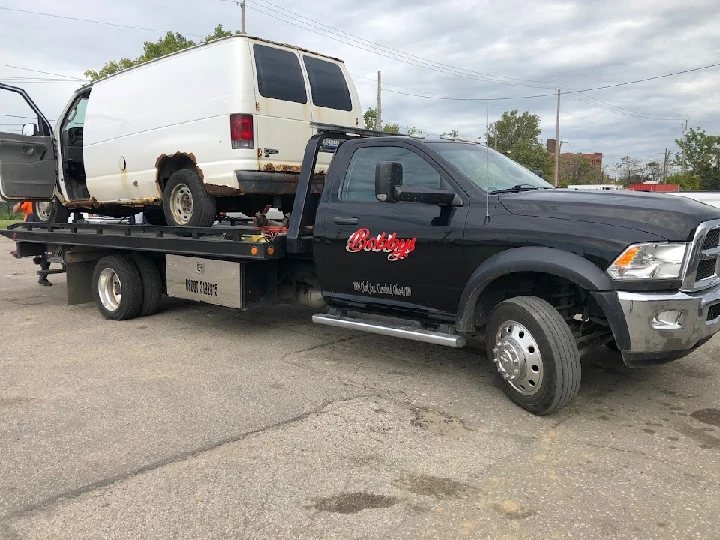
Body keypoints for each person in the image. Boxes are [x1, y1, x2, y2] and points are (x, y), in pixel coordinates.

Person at [12, 201, 52, 286]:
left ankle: (43, 277)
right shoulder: (28, 201)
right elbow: (15, 210)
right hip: (31, 226)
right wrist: (20, 203)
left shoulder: (47, 201)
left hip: (43, 226)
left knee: (46, 252)